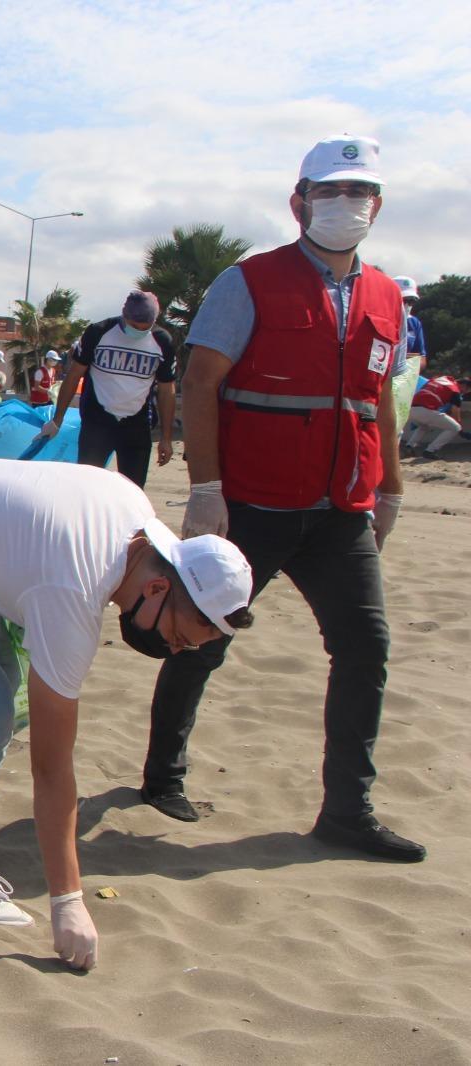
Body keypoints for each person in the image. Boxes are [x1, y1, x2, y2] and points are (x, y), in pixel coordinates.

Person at [0, 460, 253, 969]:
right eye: (177, 638)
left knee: (3, 698)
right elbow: (51, 768)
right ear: (157, 588)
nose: (172, 651)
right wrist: (68, 902)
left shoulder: (134, 517)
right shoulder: (75, 592)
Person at [149, 133, 423, 861]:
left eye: (358, 192)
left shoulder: (388, 296)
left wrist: (389, 487)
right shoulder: (249, 282)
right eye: (328, 191)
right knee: (201, 638)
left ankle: (347, 812)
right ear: (298, 200)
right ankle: (161, 776)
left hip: (342, 511)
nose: (344, 204)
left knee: (366, 649)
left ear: (378, 204)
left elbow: (381, 402)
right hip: (252, 505)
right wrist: (206, 490)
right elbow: (202, 379)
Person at [40, 292, 176, 487]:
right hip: (97, 421)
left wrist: (166, 438)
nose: (139, 331)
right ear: (124, 315)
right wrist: (57, 419)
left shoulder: (162, 342)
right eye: (135, 326)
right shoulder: (99, 332)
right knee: (87, 485)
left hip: (136, 424)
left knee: (133, 490)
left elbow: (166, 390)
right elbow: (73, 376)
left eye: (145, 327)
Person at [403, 374, 463, 458]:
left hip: (411, 409)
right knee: (455, 428)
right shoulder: (454, 389)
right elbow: (455, 409)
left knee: (424, 427)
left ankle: (409, 446)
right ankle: (430, 450)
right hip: (425, 410)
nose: (464, 392)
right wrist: (460, 428)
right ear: (464, 386)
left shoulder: (437, 380)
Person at [394, 276, 427, 365]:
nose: (408, 305)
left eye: (412, 301)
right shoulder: (380, 320)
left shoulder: (414, 323)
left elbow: (421, 357)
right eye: (404, 300)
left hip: (405, 376)